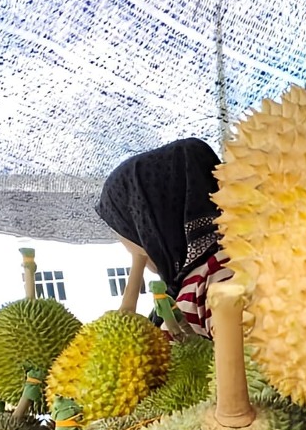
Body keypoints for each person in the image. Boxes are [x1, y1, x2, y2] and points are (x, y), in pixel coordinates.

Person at [95, 137, 231, 338]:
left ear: (152, 225)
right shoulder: (185, 286)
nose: (127, 245)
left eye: (127, 229)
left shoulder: (216, 279)